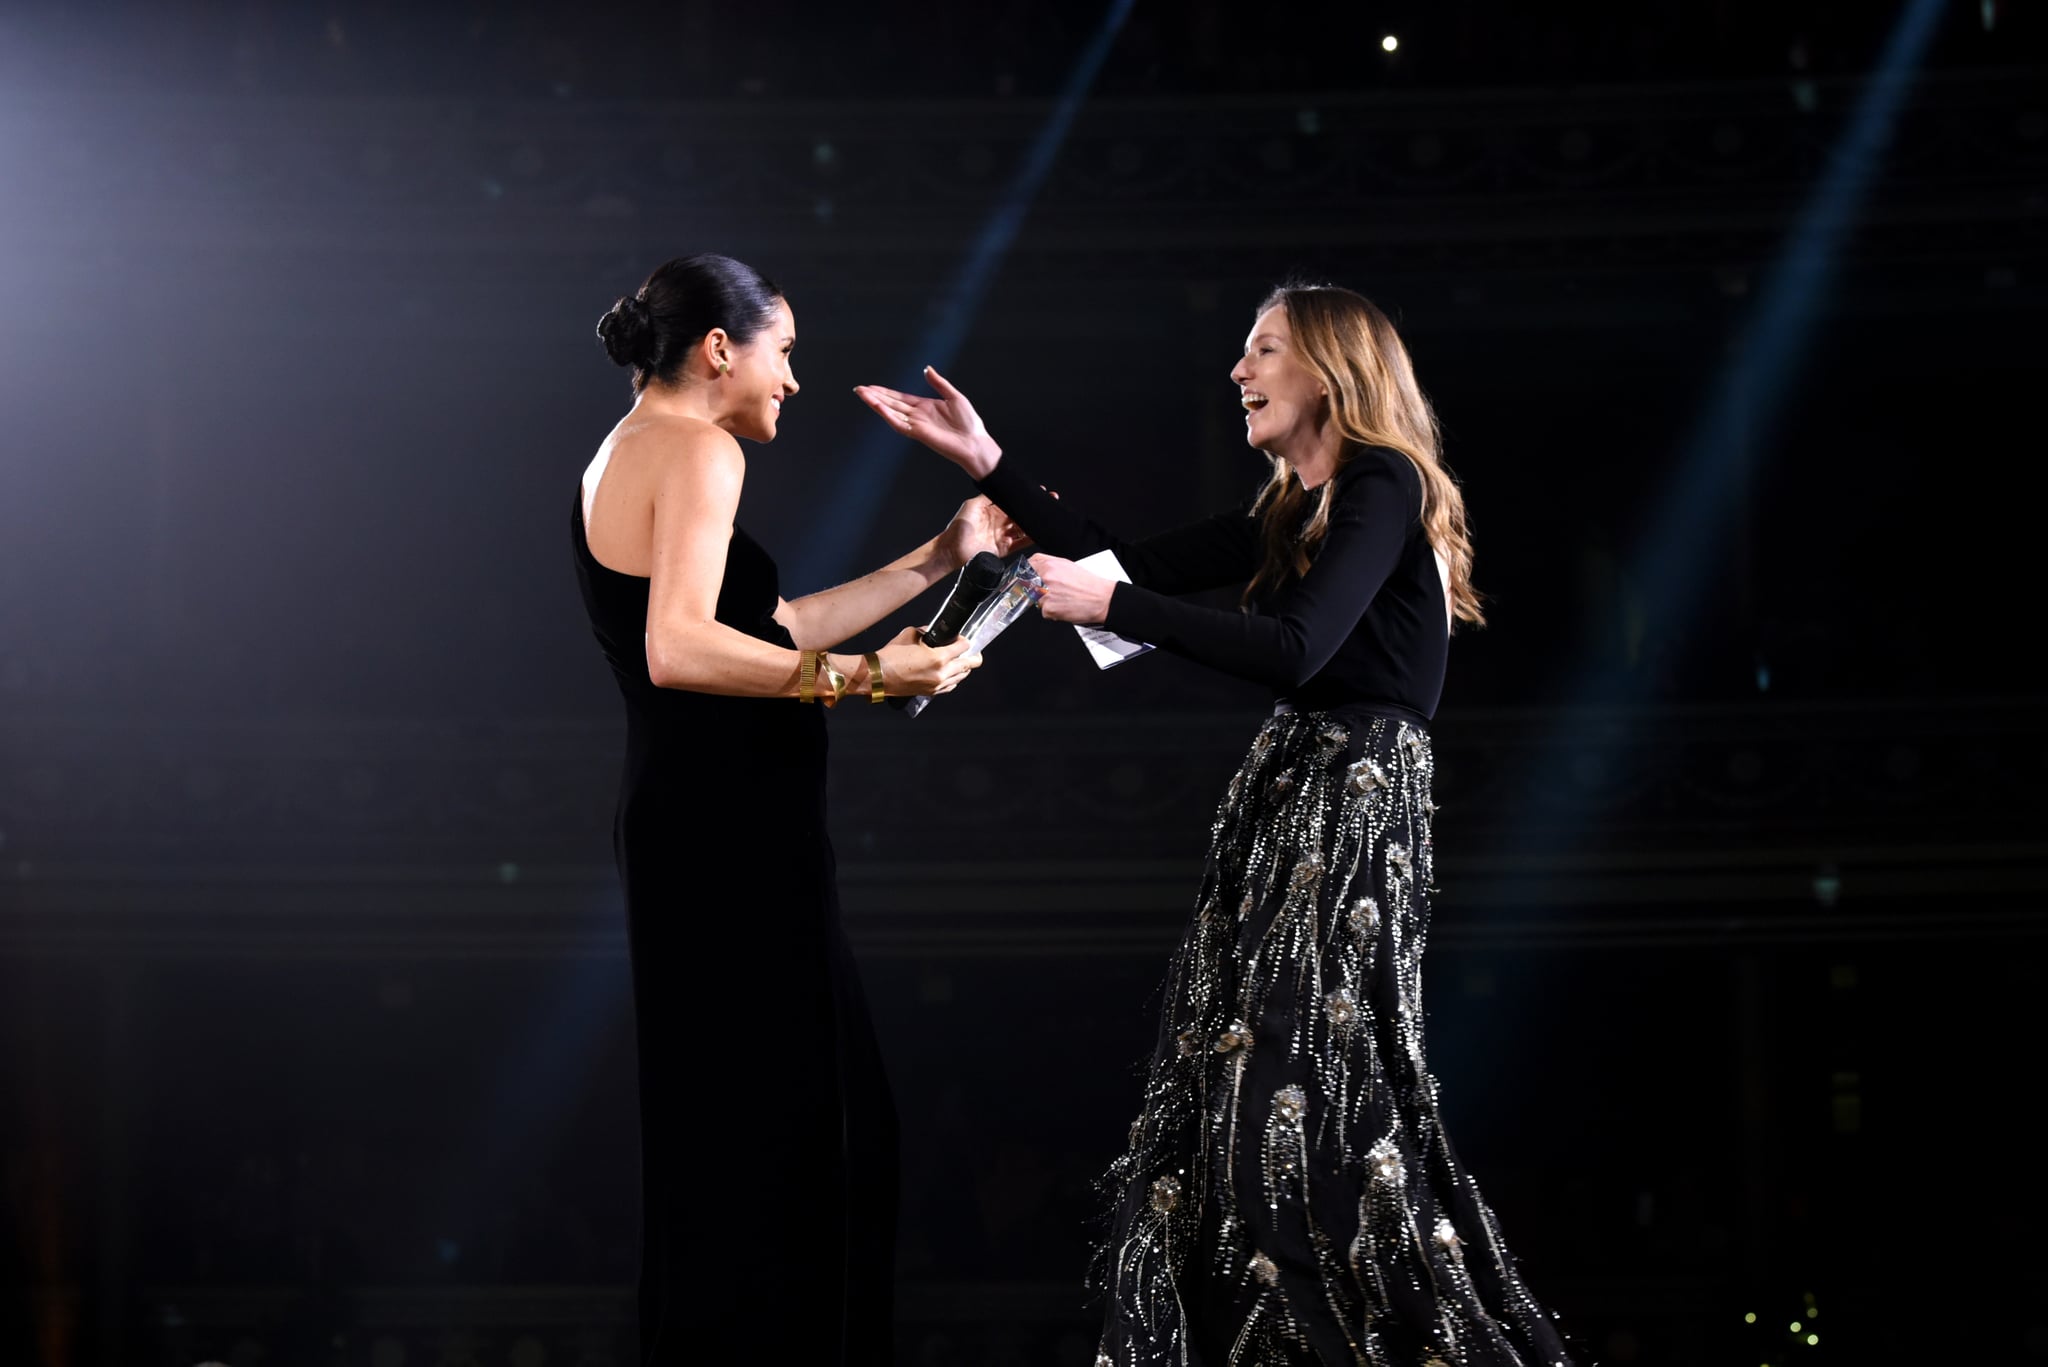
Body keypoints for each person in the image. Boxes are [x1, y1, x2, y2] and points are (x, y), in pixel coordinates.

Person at [857, 284, 1575, 1366]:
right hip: (1289, 803)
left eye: (1262, 350)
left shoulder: (1381, 480)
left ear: (1327, 371)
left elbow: (1294, 649)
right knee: (1238, 1086)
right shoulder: (1295, 507)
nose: (1238, 371)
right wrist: (988, 463)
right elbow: (1120, 561)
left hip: (1347, 807)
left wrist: (1108, 609)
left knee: (1308, 1094)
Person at [573, 253, 1022, 1364]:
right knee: (794, 1141)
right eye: (783, 351)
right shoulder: (698, 446)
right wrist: (872, 678)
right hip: (725, 832)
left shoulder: (637, 447)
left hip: (708, 823)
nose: (793, 379)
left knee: (765, 1136)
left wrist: (933, 557)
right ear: (719, 349)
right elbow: (678, 648)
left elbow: (763, 625)